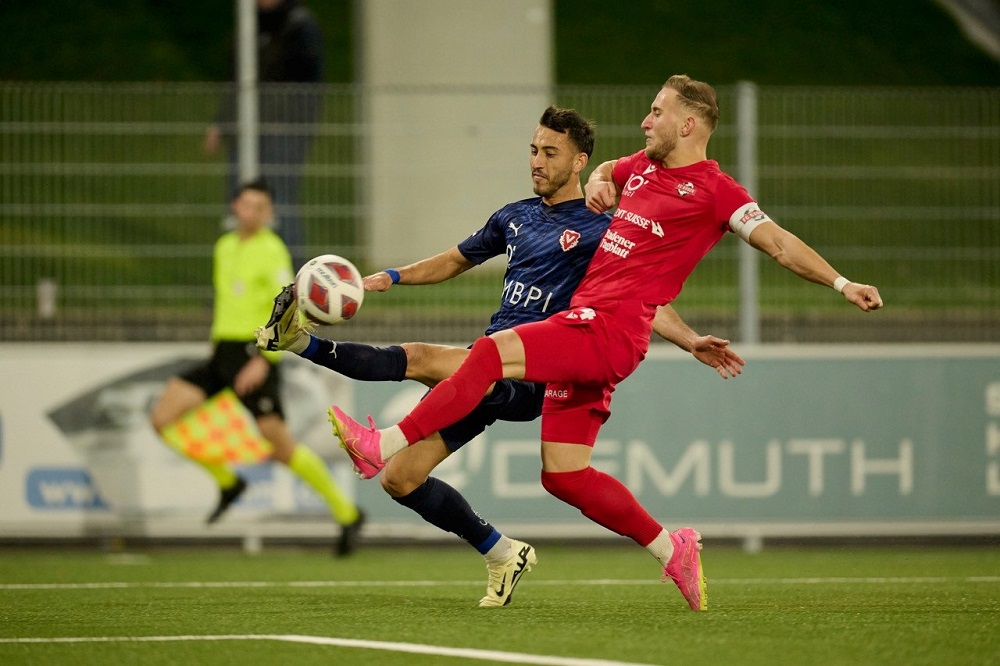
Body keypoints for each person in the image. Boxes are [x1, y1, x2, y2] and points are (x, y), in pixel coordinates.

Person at [329, 75, 885, 611]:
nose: (645, 120)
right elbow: (606, 170)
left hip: (606, 329)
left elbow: (779, 243)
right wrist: (599, 180)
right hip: (591, 330)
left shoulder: (718, 192)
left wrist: (842, 284)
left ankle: (383, 444)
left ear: (688, 125)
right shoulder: (640, 166)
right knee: (563, 475)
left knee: (490, 353)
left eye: (657, 112)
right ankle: (672, 549)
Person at [257, 106, 744, 605]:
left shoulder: (602, 227)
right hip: (487, 368)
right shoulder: (515, 216)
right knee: (401, 480)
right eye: (533, 150)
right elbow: (454, 260)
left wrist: (689, 339)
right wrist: (393, 276)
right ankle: (502, 552)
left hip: (531, 373)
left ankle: (312, 359)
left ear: (579, 162)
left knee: (423, 358)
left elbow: (643, 300)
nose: (537, 161)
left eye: (550, 152)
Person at [150, 177, 365, 556]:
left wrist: (264, 358)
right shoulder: (224, 246)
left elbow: (287, 306)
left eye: (261, 207)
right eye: (248, 205)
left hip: (254, 354)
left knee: (281, 447)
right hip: (222, 354)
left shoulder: (272, 250)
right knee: (161, 418)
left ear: (269, 212)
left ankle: (347, 514)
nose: (254, 212)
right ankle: (228, 482)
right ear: (236, 206)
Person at [203, 0, 325, 269]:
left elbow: (309, 86)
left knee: (280, 206)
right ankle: (240, 275)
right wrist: (221, 123)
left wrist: (293, 124)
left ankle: (293, 279)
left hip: (283, 135)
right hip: (245, 132)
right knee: (240, 206)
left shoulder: (299, 26)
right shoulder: (249, 22)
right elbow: (235, 77)